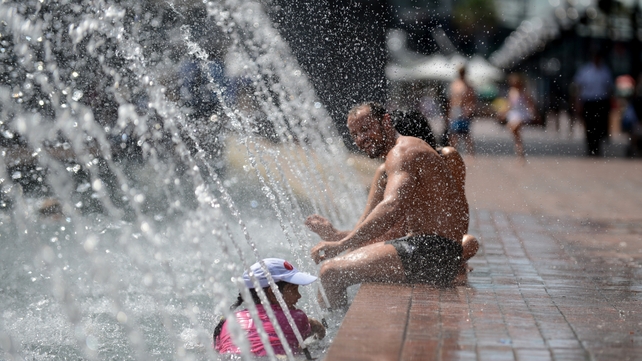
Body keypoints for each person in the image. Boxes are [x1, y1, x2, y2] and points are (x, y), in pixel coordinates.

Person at [306, 102, 479, 309]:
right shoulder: (400, 154)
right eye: (355, 134)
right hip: (433, 250)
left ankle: (335, 332)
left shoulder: (402, 152)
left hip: (432, 251)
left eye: (366, 129)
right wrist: (337, 237)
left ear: (386, 122)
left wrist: (341, 245)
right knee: (339, 265)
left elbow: (392, 205)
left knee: (330, 272)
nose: (361, 138)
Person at [214, 258, 326, 356]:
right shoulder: (296, 318)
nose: (299, 296)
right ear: (273, 293)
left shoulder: (228, 322)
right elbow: (318, 330)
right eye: (293, 289)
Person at [573, 50, 613, 157]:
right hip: (588, 101)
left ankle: (597, 146)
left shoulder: (605, 71)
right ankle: (590, 147)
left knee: (599, 125)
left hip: (601, 101)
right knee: (589, 125)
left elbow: (609, 88)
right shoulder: (585, 70)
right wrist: (578, 102)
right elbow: (578, 87)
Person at [502, 73, 536, 161]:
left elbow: (530, 103)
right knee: (517, 137)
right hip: (514, 113)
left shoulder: (524, 92)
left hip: (522, 114)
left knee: (514, 128)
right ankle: (520, 153)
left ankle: (520, 153)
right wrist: (503, 112)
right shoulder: (511, 92)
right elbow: (509, 104)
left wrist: (533, 112)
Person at [448, 65, 477, 155]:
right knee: (454, 134)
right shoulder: (455, 84)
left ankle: (470, 152)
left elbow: (472, 99)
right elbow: (451, 99)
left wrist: (470, 110)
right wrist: (449, 111)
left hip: (464, 109)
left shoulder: (468, 85)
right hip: (456, 109)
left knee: (466, 134)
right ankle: (453, 153)